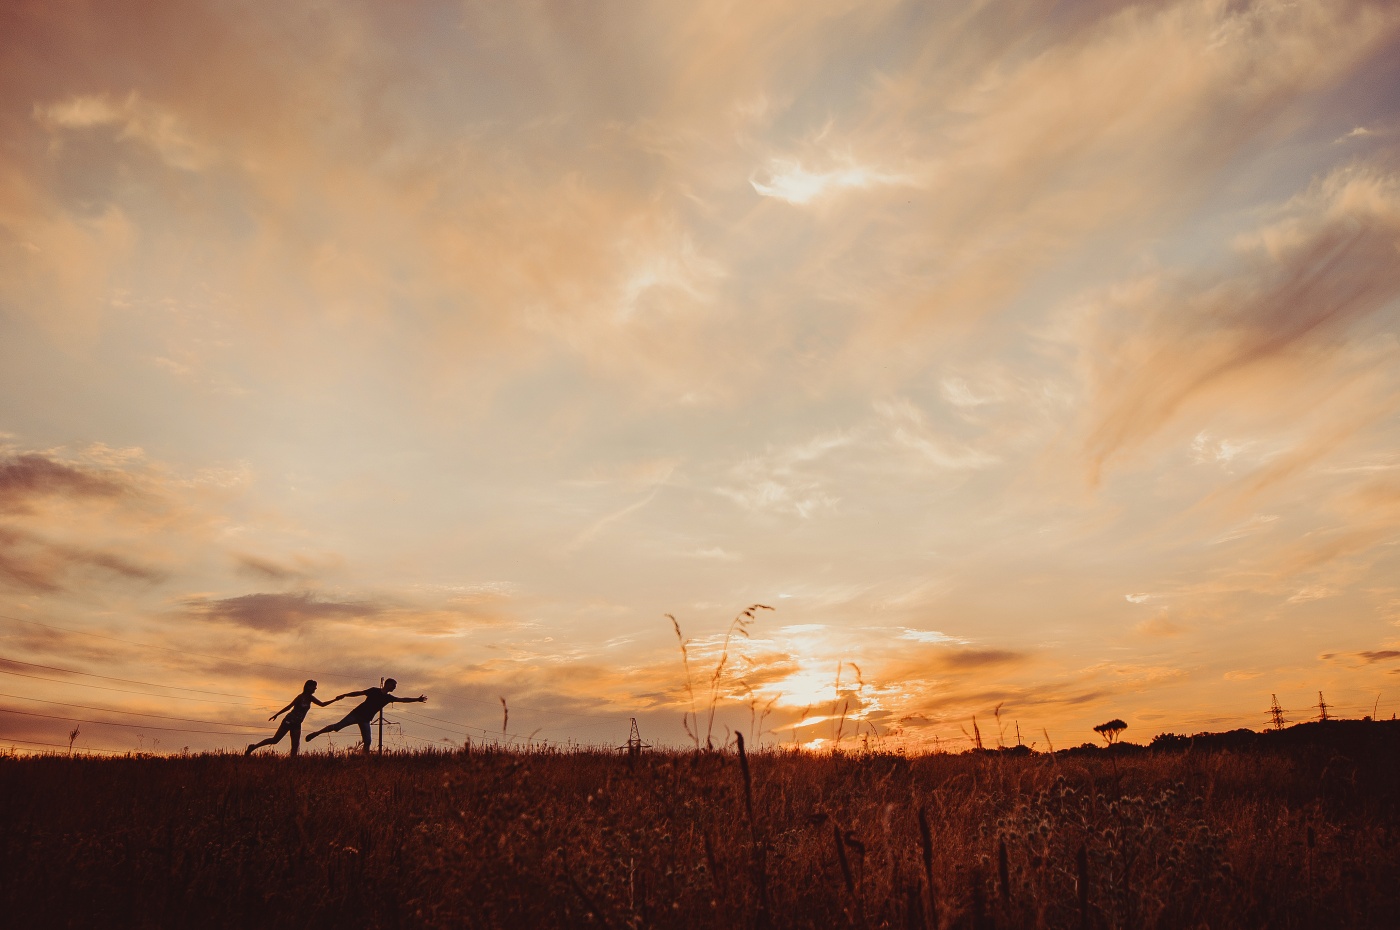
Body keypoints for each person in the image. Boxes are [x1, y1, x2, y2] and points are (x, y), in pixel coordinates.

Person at [304, 678, 426, 753]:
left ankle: (364, 759)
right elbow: (359, 693)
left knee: (367, 741)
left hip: (366, 720)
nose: (394, 688)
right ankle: (317, 733)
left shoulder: (388, 698)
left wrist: (417, 699)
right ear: (388, 684)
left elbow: (403, 700)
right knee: (337, 727)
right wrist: (345, 695)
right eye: (393, 685)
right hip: (356, 714)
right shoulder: (374, 691)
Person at [245, 679, 330, 757]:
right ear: (308, 687)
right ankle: (253, 747)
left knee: (295, 745)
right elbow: (289, 707)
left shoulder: (311, 698)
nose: (315, 688)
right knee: (275, 740)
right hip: (289, 721)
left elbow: (322, 704)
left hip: (297, 724)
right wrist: (277, 714)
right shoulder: (300, 697)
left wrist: (335, 700)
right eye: (314, 686)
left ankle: (292, 762)